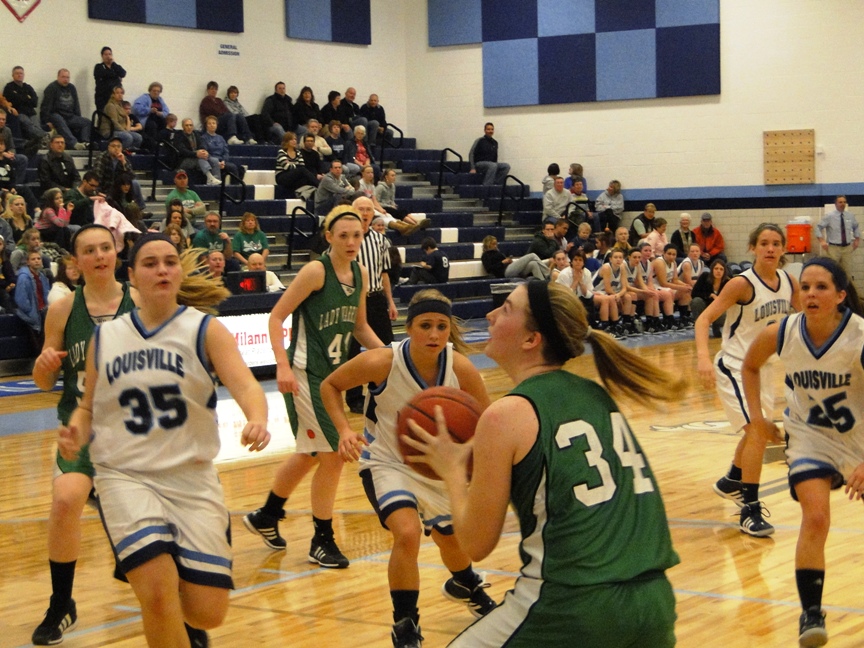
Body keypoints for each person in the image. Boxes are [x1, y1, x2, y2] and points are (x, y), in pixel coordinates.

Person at [403, 280, 682, 648]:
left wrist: (452, 470)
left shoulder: (507, 414)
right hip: (653, 605)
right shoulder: (596, 395)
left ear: (530, 340)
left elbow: (474, 544)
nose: (489, 315)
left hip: (571, 607)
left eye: (505, 310)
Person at [57, 233, 270, 647]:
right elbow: (87, 406)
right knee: (155, 595)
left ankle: (181, 602)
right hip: (125, 476)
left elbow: (246, 386)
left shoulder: (205, 330)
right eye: (150, 263)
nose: (162, 269)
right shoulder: (107, 338)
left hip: (191, 480)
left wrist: (258, 418)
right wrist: (78, 430)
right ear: (132, 275)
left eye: (169, 262)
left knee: (206, 612)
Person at [321, 289, 497, 647]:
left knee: (451, 539)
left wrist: (475, 462)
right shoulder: (383, 361)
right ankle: (406, 624)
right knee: (406, 533)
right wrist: (343, 431)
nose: (434, 334)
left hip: (438, 467)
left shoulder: (459, 366)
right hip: (387, 461)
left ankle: (465, 582)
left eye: (441, 327)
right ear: (409, 326)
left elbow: (487, 420)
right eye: (425, 326)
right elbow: (330, 385)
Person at [243, 206, 382, 565]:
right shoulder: (316, 271)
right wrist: (283, 365)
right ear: (329, 237)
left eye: (357, 235)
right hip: (306, 373)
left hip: (333, 377)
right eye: (344, 235)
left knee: (309, 454)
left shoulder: (361, 273)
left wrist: (390, 357)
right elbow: (276, 317)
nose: (351, 242)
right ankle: (322, 538)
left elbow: (360, 328)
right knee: (335, 453)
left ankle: (267, 515)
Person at [741, 258, 864, 647]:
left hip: (859, 437)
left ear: (840, 296)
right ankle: (811, 612)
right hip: (810, 435)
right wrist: (757, 419)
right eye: (805, 287)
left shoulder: (859, 339)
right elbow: (749, 366)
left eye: (821, 287)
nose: (810, 293)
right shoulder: (783, 332)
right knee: (816, 518)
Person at [29, 225, 136, 645]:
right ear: (76, 262)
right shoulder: (63, 309)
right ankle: (61, 604)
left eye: (105, 248)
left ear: (116, 251)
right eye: (89, 251)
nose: (98, 256)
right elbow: (43, 381)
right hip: (81, 425)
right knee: (66, 499)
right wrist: (41, 368)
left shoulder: (139, 301)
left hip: (134, 429)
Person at [695, 223, 799, 537]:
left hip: (762, 369)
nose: (770, 248)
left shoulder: (789, 282)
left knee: (756, 431)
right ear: (752, 247)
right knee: (757, 430)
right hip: (735, 365)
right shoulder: (741, 284)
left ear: (783, 249)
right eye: (764, 243)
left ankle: (731, 479)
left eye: (776, 243)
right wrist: (702, 359)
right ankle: (749, 510)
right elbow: (704, 319)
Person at [343, 196, 397, 413]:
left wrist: (390, 301)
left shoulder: (381, 240)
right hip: (352, 298)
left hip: (375, 298)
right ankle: (354, 397)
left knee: (386, 347)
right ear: (352, 211)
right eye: (360, 208)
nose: (365, 212)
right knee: (353, 351)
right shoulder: (345, 240)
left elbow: (384, 274)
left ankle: (384, 391)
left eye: (368, 208)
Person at [41, 69, 90, 150]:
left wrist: (78, 117)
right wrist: (46, 121)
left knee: (87, 122)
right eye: (63, 77)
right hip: (55, 115)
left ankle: (85, 142)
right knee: (59, 119)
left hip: (70, 116)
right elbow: (46, 106)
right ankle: (74, 143)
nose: (66, 79)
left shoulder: (72, 88)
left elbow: (76, 105)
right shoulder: (51, 88)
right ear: (58, 77)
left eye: (67, 77)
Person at [3, 66, 49, 149]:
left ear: (24, 75)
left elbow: (35, 102)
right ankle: (46, 136)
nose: (19, 75)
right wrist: (27, 98)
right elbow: (12, 101)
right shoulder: (9, 87)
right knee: (28, 124)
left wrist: (19, 98)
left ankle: (42, 141)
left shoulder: (28, 87)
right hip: (19, 112)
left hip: (31, 112)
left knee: (36, 125)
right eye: (17, 73)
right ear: (13, 75)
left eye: (21, 73)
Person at [375, 168, 430, 235]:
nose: (394, 177)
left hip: (390, 206)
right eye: (392, 175)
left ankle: (417, 222)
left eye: (395, 175)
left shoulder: (392, 186)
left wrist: (393, 204)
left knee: (403, 210)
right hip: (383, 207)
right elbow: (376, 201)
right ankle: (415, 224)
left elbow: (392, 199)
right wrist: (389, 206)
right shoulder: (380, 187)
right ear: (386, 177)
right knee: (398, 213)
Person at [816, 195, 859, 281]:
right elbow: (818, 228)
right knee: (832, 271)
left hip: (847, 248)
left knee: (847, 273)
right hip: (833, 248)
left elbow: (856, 226)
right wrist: (822, 241)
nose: (842, 204)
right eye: (840, 202)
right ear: (835, 204)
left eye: (844, 202)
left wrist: (857, 239)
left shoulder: (850, 216)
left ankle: (846, 293)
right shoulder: (829, 216)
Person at [199, 80, 255, 145]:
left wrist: (223, 113)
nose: (214, 91)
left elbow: (226, 110)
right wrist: (223, 113)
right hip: (211, 123)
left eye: (215, 89)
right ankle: (231, 137)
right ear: (208, 90)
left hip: (220, 121)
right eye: (212, 89)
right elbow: (214, 112)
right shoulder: (206, 100)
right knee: (230, 115)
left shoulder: (219, 100)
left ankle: (248, 137)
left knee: (239, 116)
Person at [652, 243, 693, 329]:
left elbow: (675, 280)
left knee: (686, 291)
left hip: (665, 287)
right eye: (669, 254)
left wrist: (686, 286)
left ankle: (684, 318)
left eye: (674, 254)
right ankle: (668, 319)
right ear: (664, 253)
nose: (671, 256)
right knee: (669, 293)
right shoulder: (659, 262)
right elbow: (663, 283)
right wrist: (681, 287)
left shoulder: (673, 263)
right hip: (655, 286)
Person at [15, 249, 50, 347]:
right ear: (28, 262)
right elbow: (21, 300)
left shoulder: (42, 276)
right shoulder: (23, 278)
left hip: (43, 311)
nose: (36, 261)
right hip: (32, 315)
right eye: (33, 259)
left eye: (38, 258)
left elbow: (47, 294)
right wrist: (31, 312)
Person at [691, 258, 730, 338]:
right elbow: (694, 293)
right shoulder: (704, 277)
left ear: (724, 272)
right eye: (716, 268)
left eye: (721, 269)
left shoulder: (727, 282)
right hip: (705, 306)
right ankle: (700, 328)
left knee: (726, 315)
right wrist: (710, 295)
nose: (718, 271)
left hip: (718, 309)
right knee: (696, 301)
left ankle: (716, 326)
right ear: (712, 270)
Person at [480, 234, 548, 280]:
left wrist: (508, 261)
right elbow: (489, 269)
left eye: (496, 244)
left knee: (533, 264)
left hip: (509, 268)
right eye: (493, 244)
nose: (495, 245)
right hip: (504, 272)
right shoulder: (485, 255)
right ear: (488, 244)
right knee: (532, 255)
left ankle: (543, 283)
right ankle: (548, 274)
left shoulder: (497, 252)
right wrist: (502, 262)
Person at [200, 114, 242, 185]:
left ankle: (234, 189)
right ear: (206, 125)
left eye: (213, 123)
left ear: (216, 125)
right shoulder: (203, 138)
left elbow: (226, 152)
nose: (212, 125)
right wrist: (217, 163)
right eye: (209, 123)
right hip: (211, 161)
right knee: (219, 165)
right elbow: (205, 153)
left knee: (235, 168)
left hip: (222, 161)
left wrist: (223, 161)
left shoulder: (221, 138)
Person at [274, 131, 319, 196]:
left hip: (293, 177)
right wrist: (296, 166)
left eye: (295, 139)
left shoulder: (298, 152)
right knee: (302, 170)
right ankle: (319, 185)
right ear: (286, 141)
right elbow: (287, 167)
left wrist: (292, 164)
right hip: (282, 176)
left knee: (306, 178)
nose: (294, 141)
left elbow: (302, 165)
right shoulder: (282, 152)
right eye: (291, 139)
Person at [99, 86, 142, 151]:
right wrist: (124, 131)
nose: (120, 95)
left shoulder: (120, 105)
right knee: (128, 137)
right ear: (113, 94)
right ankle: (119, 153)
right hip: (109, 131)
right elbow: (114, 122)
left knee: (138, 137)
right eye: (117, 93)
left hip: (120, 130)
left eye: (121, 93)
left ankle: (130, 152)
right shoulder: (111, 105)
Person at [132, 82, 170, 150]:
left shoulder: (160, 100)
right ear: (150, 90)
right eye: (154, 91)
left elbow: (166, 111)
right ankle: (153, 145)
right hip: (147, 119)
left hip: (158, 118)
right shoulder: (144, 97)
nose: (156, 93)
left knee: (165, 124)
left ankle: (162, 145)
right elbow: (136, 108)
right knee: (152, 125)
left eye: (158, 91)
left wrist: (161, 113)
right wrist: (149, 110)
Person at [93, 47, 126, 115]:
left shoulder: (115, 67)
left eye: (110, 54)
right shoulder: (99, 67)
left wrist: (113, 64)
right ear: (102, 56)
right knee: (104, 118)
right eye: (106, 54)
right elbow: (106, 74)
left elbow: (123, 73)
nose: (108, 56)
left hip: (115, 98)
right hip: (103, 98)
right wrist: (116, 76)